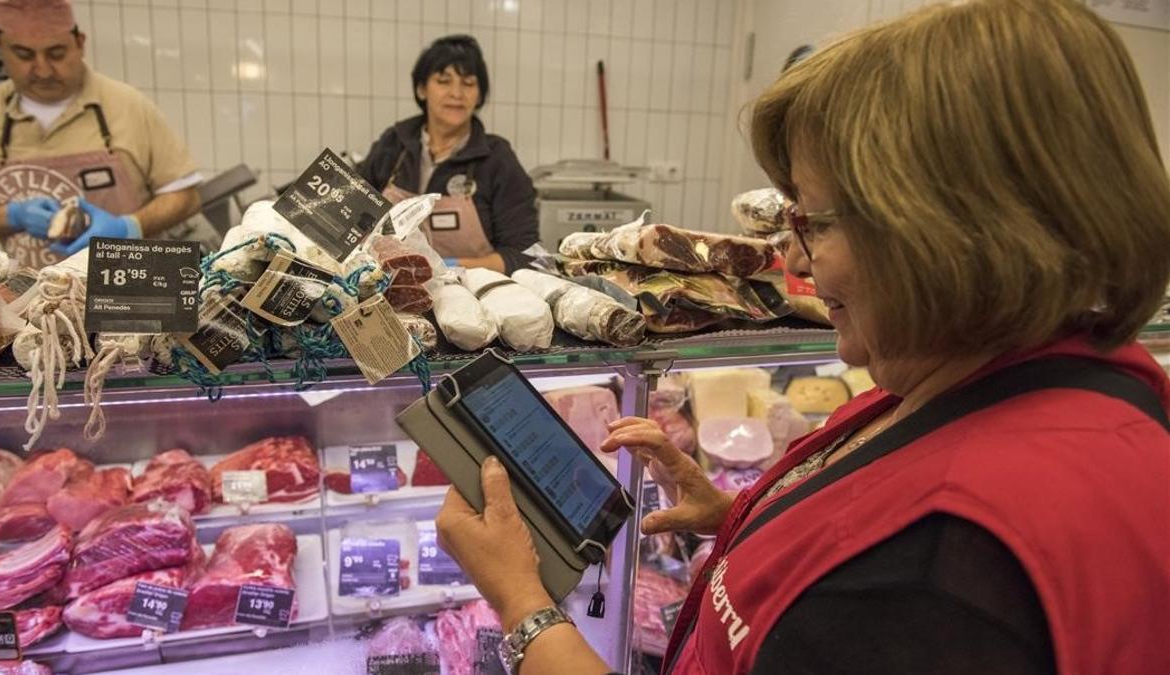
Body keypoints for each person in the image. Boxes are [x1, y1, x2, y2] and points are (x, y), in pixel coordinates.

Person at [434, 1, 1170, 673]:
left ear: (947, 232)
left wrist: (522, 601)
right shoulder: (1035, 380)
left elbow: (888, 589)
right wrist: (748, 523)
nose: (789, 259)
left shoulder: (937, 583)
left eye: (813, 221)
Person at [0, 0, 202, 269]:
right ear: (1, 46)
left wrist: (128, 227)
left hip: (126, 293)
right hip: (15, 299)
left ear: (79, 43)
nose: (43, 69)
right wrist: (11, 216)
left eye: (56, 53)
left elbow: (187, 197)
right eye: (23, 55)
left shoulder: (128, 105)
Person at [356, 35, 539, 274]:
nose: (457, 93)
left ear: (479, 95)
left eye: (469, 83)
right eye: (444, 81)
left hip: (474, 297)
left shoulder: (497, 158)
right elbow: (350, 219)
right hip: (390, 289)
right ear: (422, 89)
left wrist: (445, 268)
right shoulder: (394, 144)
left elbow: (525, 255)